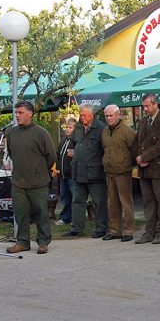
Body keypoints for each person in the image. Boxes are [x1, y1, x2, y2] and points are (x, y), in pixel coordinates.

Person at [5, 101, 56, 254]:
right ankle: (22, 242)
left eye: (20, 112)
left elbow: (51, 156)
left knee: (41, 213)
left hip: (38, 182)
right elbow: (11, 154)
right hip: (18, 182)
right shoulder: (11, 133)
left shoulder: (41, 133)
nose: (17, 115)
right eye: (16, 112)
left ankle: (43, 241)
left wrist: (39, 171)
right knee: (20, 214)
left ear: (30, 114)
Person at [66, 103, 108, 238]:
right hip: (78, 171)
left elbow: (106, 149)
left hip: (95, 173)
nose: (81, 117)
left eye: (84, 115)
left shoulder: (101, 128)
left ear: (92, 115)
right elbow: (74, 142)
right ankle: (76, 228)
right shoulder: (78, 127)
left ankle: (101, 228)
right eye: (80, 114)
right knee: (77, 201)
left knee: (99, 202)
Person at [135, 94, 160, 245]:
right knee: (148, 201)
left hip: (159, 168)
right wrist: (139, 158)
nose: (144, 109)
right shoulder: (143, 121)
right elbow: (138, 142)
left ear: (155, 104)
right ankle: (149, 231)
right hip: (144, 169)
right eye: (143, 106)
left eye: (147, 106)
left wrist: (144, 157)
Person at [100, 105, 137, 243]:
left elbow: (134, 149)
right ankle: (115, 230)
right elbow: (104, 149)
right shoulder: (104, 131)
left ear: (117, 115)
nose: (108, 118)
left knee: (126, 202)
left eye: (111, 115)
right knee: (112, 203)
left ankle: (128, 231)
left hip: (123, 172)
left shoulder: (127, 131)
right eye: (106, 116)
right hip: (109, 172)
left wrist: (128, 165)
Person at [54, 118, 76, 226]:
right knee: (64, 197)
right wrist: (58, 167)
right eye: (66, 127)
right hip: (62, 174)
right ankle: (65, 217)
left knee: (74, 197)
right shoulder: (62, 141)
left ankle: (75, 218)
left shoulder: (75, 141)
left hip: (72, 175)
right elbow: (58, 154)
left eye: (70, 127)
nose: (67, 129)